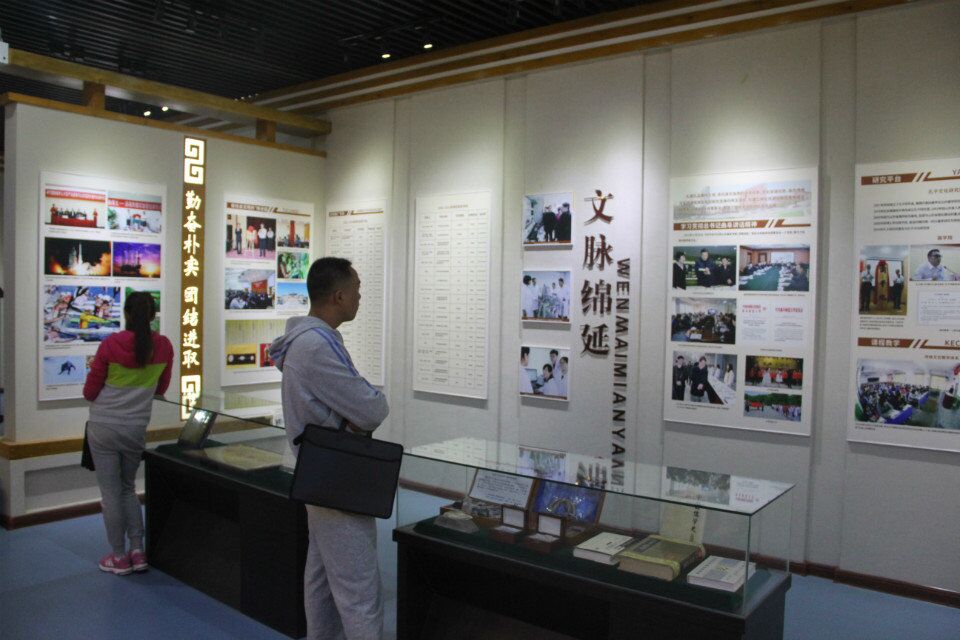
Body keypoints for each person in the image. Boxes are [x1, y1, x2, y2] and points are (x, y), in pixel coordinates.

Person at [268, 257, 389, 640]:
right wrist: (360, 412)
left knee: (320, 579)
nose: (360, 297)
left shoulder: (307, 342)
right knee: (360, 593)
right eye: (356, 290)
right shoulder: (316, 346)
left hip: (319, 474)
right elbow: (372, 409)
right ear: (338, 296)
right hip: (336, 479)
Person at [83, 291, 173, 576]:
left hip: (103, 427)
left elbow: (90, 391)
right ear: (153, 315)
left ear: (126, 314)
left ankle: (119, 556)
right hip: (136, 428)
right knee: (128, 489)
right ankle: (138, 550)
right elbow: (161, 388)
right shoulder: (163, 347)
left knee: (110, 493)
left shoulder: (111, 344)